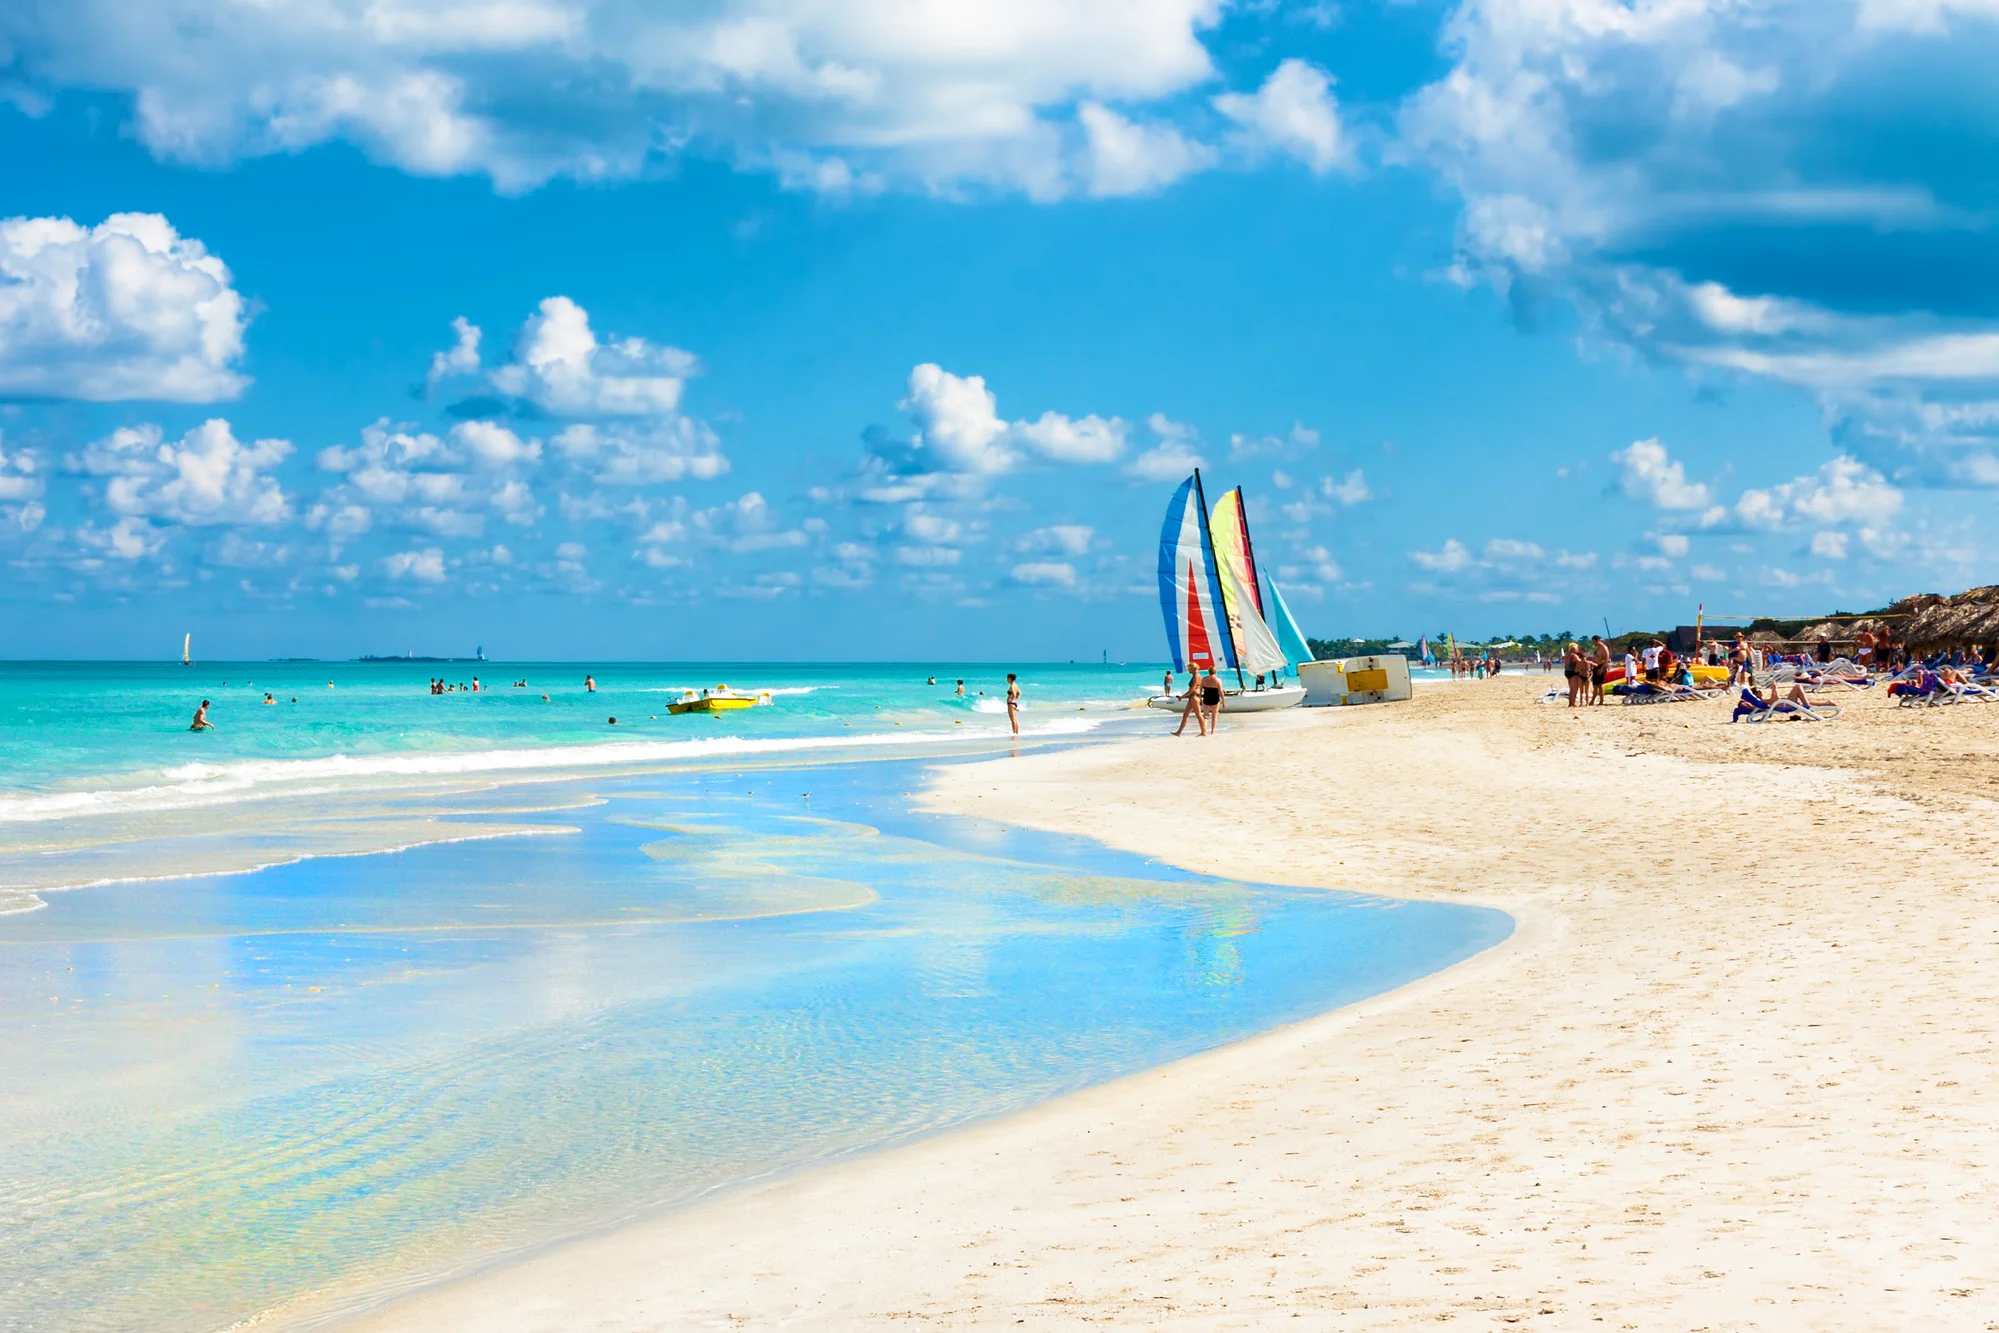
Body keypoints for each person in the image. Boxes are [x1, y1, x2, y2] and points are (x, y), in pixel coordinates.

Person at [1172, 671, 1205, 737]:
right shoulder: (1196, 676)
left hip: (1194, 697)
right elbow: (1200, 688)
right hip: (1193, 697)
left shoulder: (1196, 676)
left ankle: (1203, 732)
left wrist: (1182, 696)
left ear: (1193, 668)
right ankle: (1179, 732)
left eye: (1189, 668)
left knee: (1198, 715)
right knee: (1185, 715)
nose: (1188, 670)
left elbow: (1193, 688)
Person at [1199, 665, 1225, 731]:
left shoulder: (1204, 679)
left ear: (1209, 672)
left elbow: (1200, 689)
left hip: (1206, 698)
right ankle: (1212, 731)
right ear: (1215, 672)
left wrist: (1200, 698)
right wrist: (1223, 700)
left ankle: (1204, 730)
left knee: (1206, 716)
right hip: (1215, 699)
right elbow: (1221, 691)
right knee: (1214, 716)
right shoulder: (1218, 680)